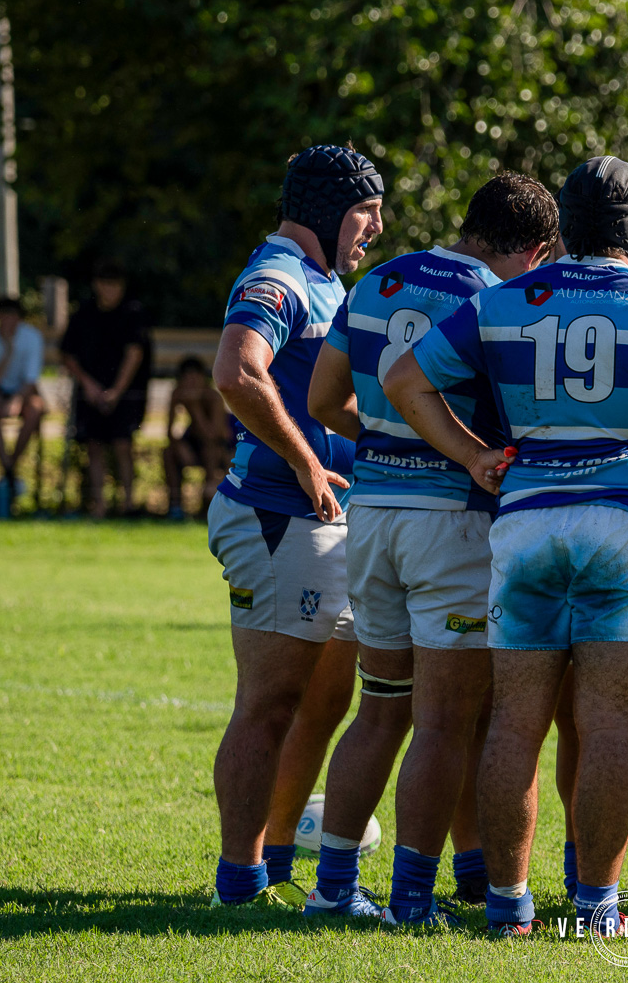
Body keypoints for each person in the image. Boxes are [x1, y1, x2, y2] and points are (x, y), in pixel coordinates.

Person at [384, 155, 628, 936]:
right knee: (609, 729)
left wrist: (472, 455)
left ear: (566, 227)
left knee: (514, 723)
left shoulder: (505, 301)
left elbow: (403, 381)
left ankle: (509, 908)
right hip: (621, 521)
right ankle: (596, 909)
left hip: (527, 518)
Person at [305, 171, 560, 926]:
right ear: (534, 249)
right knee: (446, 721)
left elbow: (323, 402)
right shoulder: (498, 298)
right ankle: (413, 899)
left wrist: (388, 439)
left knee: (380, 707)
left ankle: (333, 888)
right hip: (452, 522)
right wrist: (456, 451)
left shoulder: (378, 280)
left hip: (372, 511)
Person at [204, 144, 384, 910]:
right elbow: (236, 370)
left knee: (325, 700)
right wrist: (309, 463)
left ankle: (277, 860)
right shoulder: (278, 274)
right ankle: (238, 883)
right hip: (279, 517)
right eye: (367, 210)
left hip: (322, 523)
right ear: (328, 209)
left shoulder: (322, 278)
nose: (376, 226)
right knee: (271, 702)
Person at [59, 262, 152, 518]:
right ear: (96, 284)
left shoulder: (133, 313)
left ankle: (128, 505)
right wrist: (89, 385)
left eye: (115, 284)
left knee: (123, 445)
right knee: (94, 446)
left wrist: (115, 392)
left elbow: (135, 354)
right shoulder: (84, 313)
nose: (110, 290)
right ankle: (98, 505)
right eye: (106, 283)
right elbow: (68, 354)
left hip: (126, 394)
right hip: (89, 392)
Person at [0, 296, 46, 517]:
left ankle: (9, 469)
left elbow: (31, 382)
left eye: (12, 316)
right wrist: (8, 353)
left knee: (36, 408)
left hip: (22, 393)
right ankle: (10, 470)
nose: (8, 322)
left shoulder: (33, 338)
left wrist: (16, 401)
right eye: (3, 316)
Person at [164, 356, 232, 519]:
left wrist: (194, 407)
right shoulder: (178, 394)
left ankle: (208, 505)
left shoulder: (213, 397)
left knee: (211, 451)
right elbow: (169, 431)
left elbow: (213, 435)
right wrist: (178, 445)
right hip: (194, 440)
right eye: (187, 377)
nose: (192, 382)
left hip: (220, 444)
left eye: (196, 377)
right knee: (168, 453)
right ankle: (175, 506)